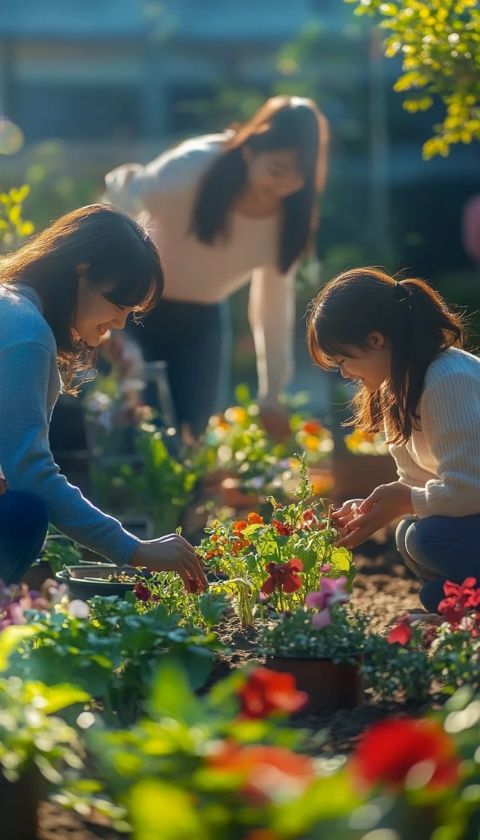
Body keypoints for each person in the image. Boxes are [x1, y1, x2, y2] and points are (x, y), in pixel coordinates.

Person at [0, 204, 206, 590]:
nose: (120, 323)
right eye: (118, 304)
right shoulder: (26, 330)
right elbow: (28, 471)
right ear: (82, 271)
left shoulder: (11, 306)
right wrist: (133, 548)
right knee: (21, 515)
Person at [104, 95, 329, 438]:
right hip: (135, 310)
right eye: (276, 170)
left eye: (297, 177)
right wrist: (110, 316)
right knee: (139, 430)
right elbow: (122, 196)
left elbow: (271, 307)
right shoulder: (197, 166)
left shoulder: (291, 218)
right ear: (251, 150)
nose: (283, 186)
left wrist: (272, 395)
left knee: (191, 437)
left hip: (202, 325)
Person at [307, 266, 480, 613]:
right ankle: (461, 602)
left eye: (344, 359)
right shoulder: (397, 387)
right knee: (408, 534)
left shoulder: (448, 378)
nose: (344, 373)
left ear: (375, 340)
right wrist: (372, 507)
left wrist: (404, 500)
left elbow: (470, 489)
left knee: (429, 538)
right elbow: (417, 482)